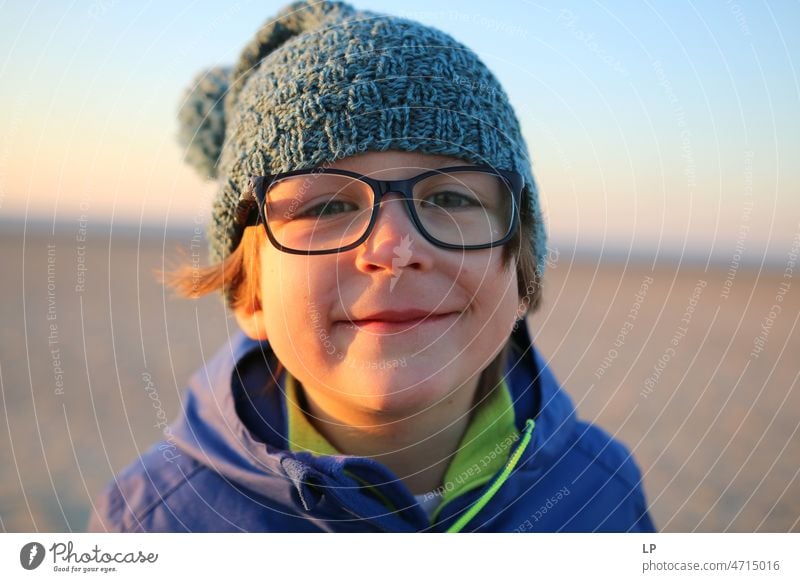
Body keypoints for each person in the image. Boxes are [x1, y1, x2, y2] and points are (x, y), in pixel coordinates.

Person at [88, 0, 655, 532]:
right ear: (248, 294)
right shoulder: (154, 524)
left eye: (453, 198)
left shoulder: (600, 490)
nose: (394, 248)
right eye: (327, 206)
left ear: (523, 270)